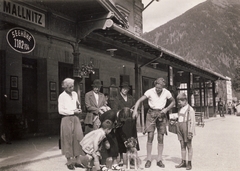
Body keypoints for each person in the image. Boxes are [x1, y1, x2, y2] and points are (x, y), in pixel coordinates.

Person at [133, 77, 175, 168]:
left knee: (160, 137)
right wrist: (135, 110)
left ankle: (159, 160)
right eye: (156, 88)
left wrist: (167, 109)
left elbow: (173, 101)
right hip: (151, 114)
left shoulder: (166, 92)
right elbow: (139, 100)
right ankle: (148, 159)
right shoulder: (149, 92)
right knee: (150, 136)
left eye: (159, 88)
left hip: (161, 114)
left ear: (163, 87)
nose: (157, 89)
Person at [58, 78, 84, 170]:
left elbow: (77, 104)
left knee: (78, 137)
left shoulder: (75, 94)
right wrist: (73, 111)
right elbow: (60, 110)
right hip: (66, 118)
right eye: (70, 87)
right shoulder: (62, 96)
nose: (72, 88)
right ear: (65, 87)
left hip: (75, 118)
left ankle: (78, 160)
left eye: (73, 86)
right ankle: (69, 161)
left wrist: (78, 109)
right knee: (67, 138)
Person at [112, 82, 139, 166]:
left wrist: (134, 111)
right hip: (121, 122)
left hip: (131, 122)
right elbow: (115, 110)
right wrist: (121, 115)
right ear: (120, 88)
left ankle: (131, 158)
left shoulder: (131, 98)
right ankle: (120, 158)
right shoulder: (117, 98)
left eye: (127, 89)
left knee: (132, 140)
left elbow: (135, 108)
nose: (125, 90)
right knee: (121, 140)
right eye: (124, 88)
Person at [175, 92, 196, 170]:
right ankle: (183, 162)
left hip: (187, 129)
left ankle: (189, 163)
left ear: (185, 100)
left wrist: (190, 132)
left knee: (189, 146)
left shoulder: (190, 109)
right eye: (178, 101)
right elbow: (179, 118)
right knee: (182, 145)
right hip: (180, 129)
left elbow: (193, 122)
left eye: (180, 101)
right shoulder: (180, 109)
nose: (179, 103)